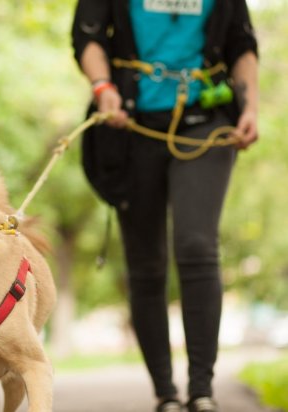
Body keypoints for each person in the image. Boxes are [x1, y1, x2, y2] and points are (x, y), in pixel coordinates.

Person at [70, 1, 258, 412]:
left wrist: (250, 106)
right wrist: (103, 88)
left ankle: (202, 390)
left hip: (206, 121)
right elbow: (87, 36)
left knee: (196, 245)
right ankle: (165, 393)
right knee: (146, 263)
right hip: (130, 124)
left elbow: (242, 44)